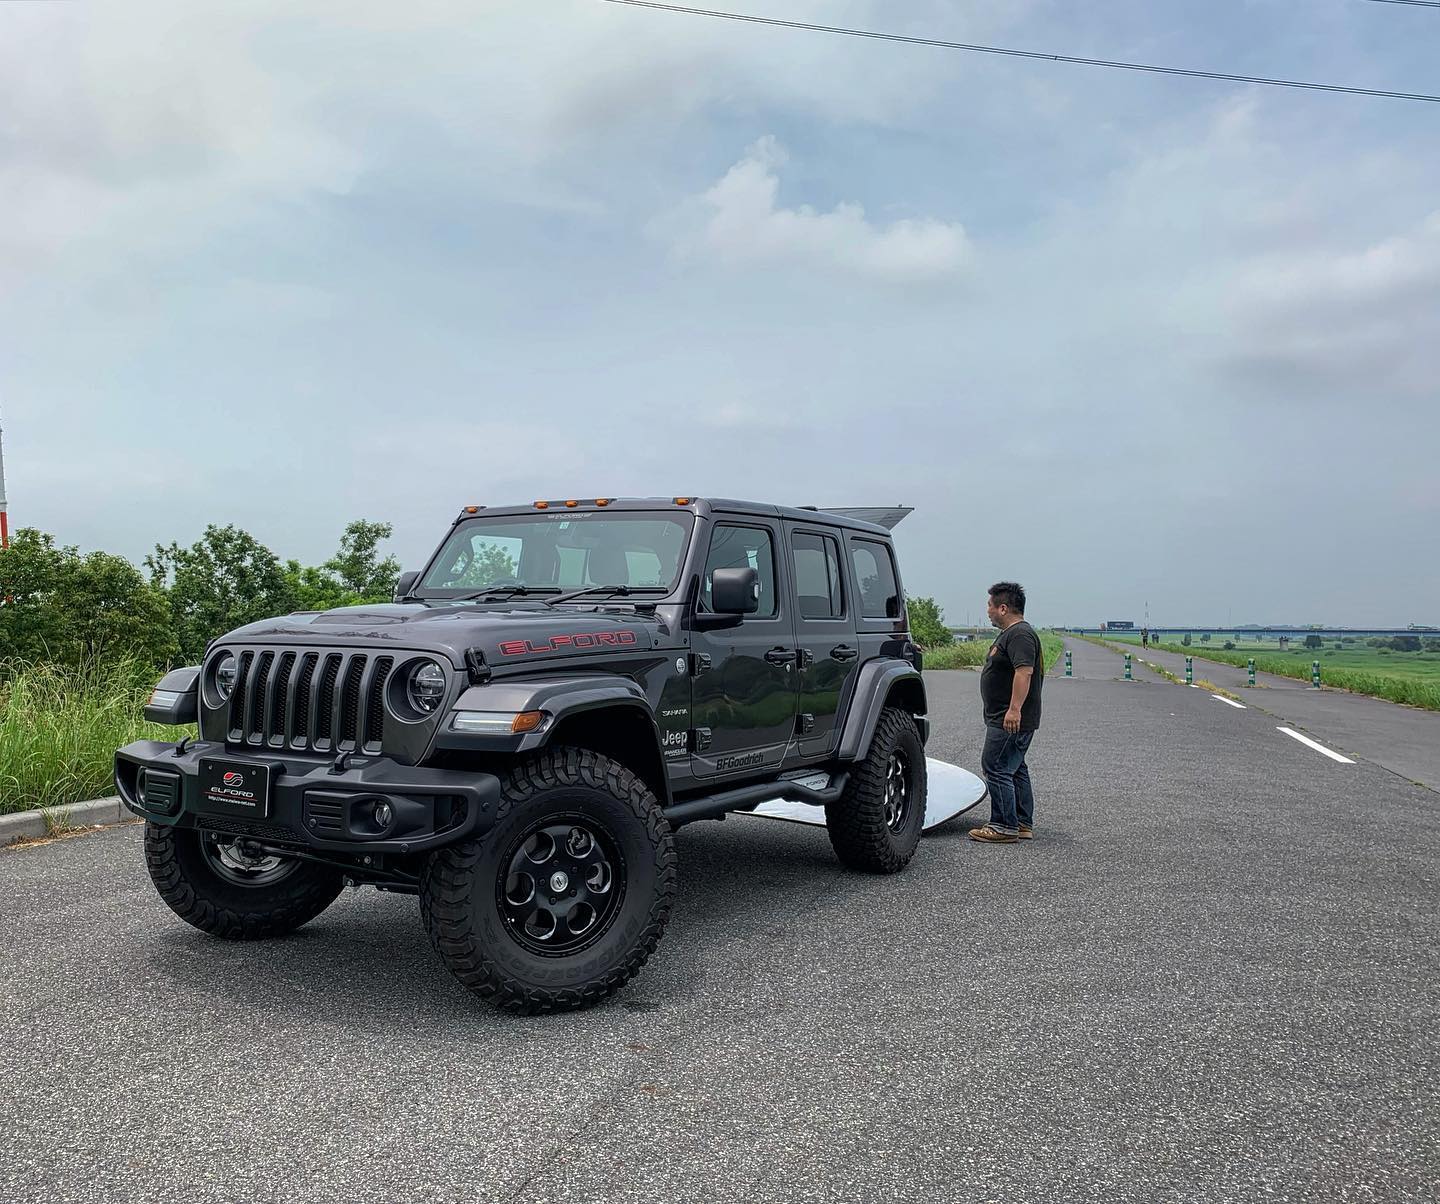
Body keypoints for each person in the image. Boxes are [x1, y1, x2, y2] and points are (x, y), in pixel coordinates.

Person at [970, 581, 1044, 844]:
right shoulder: (1013, 634)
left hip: (1009, 718)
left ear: (1003, 608)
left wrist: (1014, 710)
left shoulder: (1020, 635)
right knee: (1015, 767)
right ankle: (1022, 822)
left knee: (996, 766)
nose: (988, 611)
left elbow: (1024, 672)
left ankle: (1003, 825)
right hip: (1007, 716)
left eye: (990, 605)